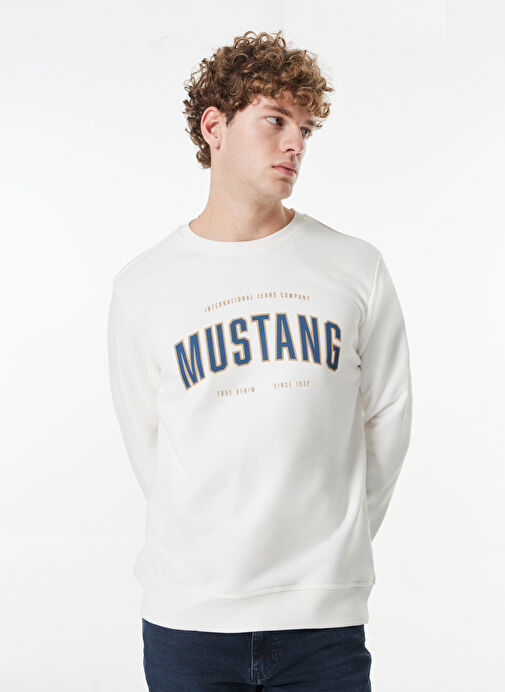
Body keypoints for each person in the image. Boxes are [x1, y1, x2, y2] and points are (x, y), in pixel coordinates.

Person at [107, 29, 413, 692]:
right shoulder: (143, 287)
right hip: (188, 620)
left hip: (322, 622)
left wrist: (332, 551)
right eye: (275, 120)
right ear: (213, 126)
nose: (295, 143)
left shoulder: (355, 267)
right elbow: (151, 448)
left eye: (305, 128)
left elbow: (387, 421)